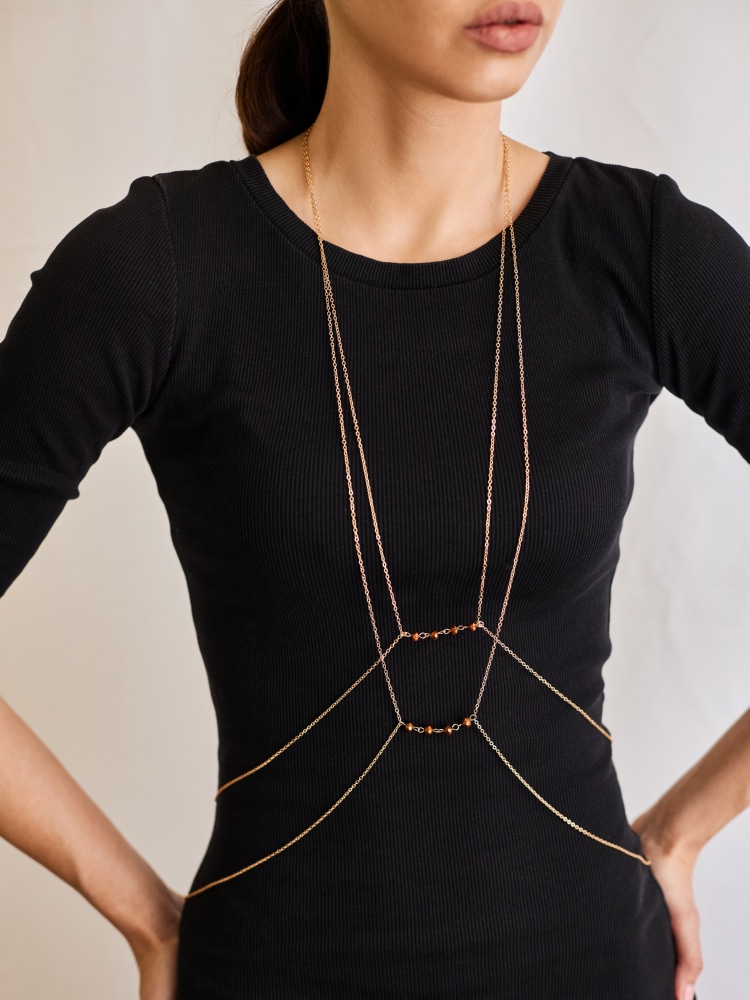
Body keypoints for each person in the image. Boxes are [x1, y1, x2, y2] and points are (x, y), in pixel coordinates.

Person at [0, 0, 748, 997]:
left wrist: (684, 830)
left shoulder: (637, 247)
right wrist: (143, 915)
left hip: (594, 963)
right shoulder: (155, 269)